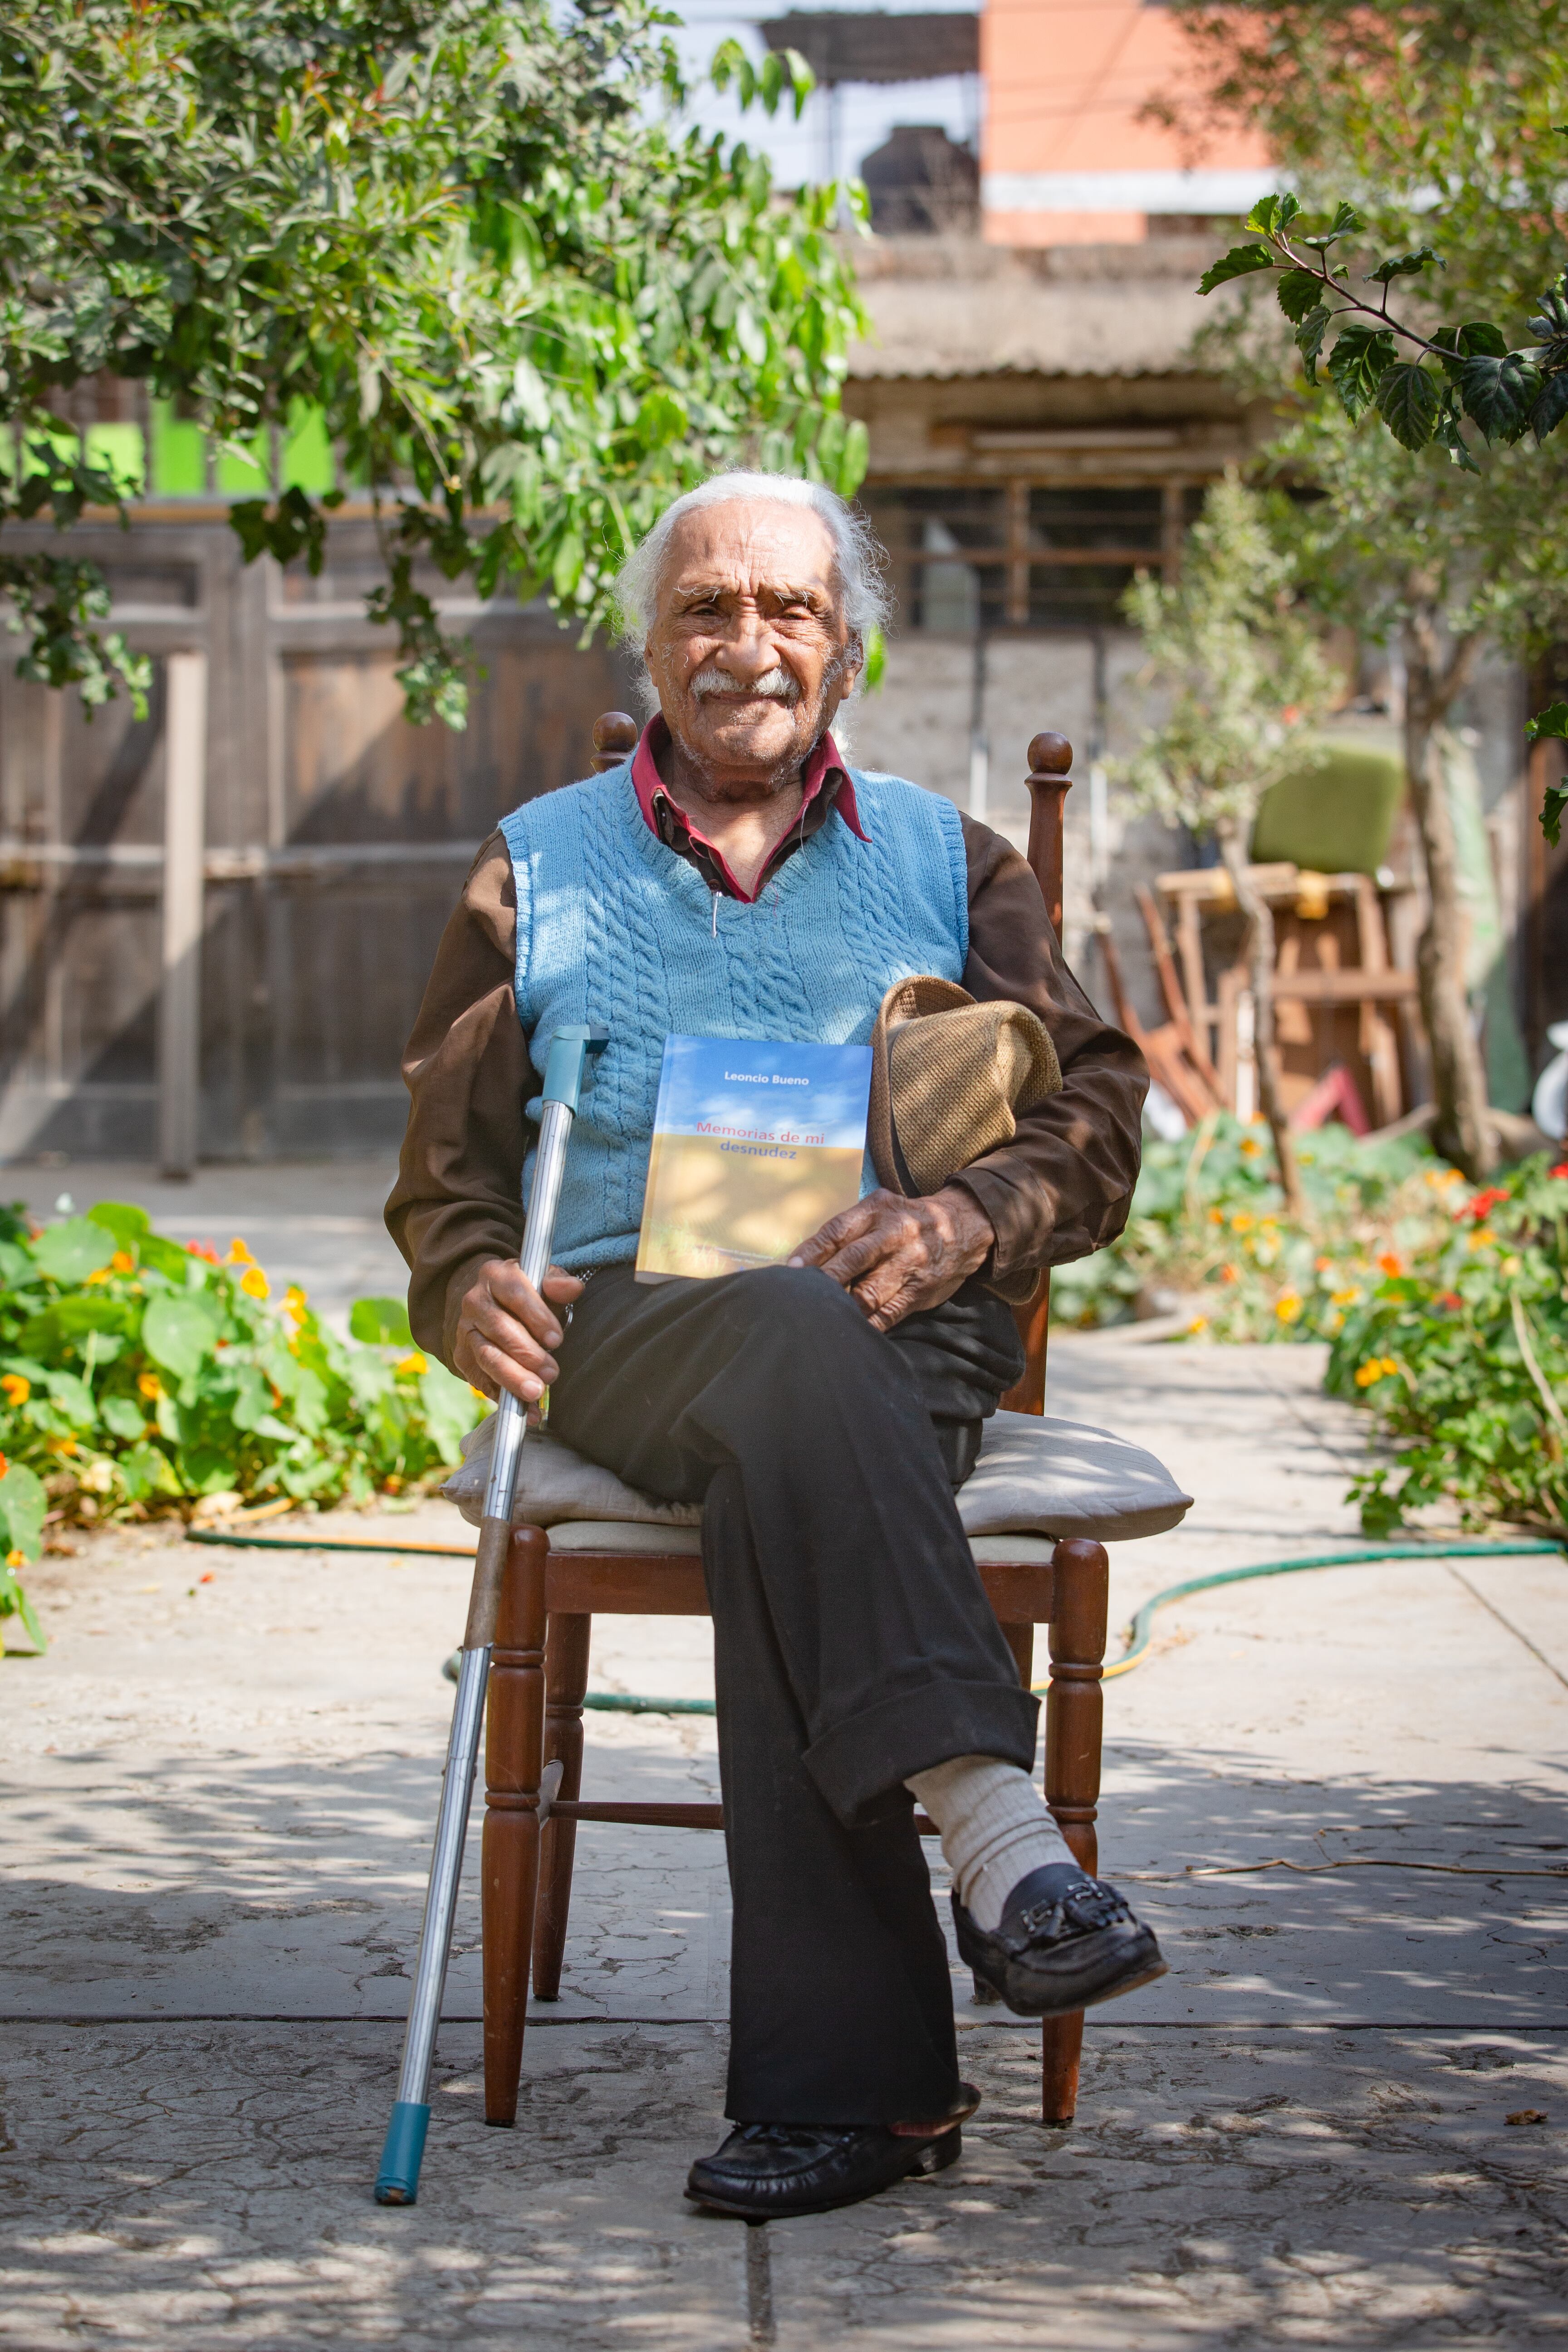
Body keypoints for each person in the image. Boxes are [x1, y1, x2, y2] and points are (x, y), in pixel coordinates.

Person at [387, 470, 1163, 2220]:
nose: (749, 645)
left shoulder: (950, 864)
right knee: (779, 1373)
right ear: (656, 645)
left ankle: (867, 2103)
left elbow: (1101, 1119)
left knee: (792, 1445)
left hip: (905, 1323)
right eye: (709, 611)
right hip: (633, 1325)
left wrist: (963, 1221)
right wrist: (466, 1289)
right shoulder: (535, 863)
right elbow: (445, 1172)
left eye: (789, 610)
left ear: (849, 647)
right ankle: (999, 1840)